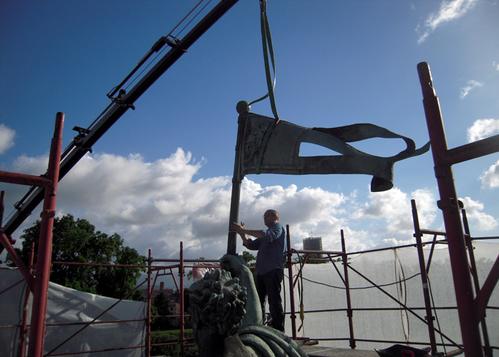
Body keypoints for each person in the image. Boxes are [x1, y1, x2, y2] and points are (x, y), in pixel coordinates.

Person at [231, 209, 285, 332]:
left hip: (273, 270)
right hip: (262, 272)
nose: (264, 219)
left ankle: (279, 330)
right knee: (259, 300)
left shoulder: (277, 228)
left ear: (273, 216)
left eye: (266, 216)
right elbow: (250, 245)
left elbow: (264, 234)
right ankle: (260, 327)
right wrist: (241, 233)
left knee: (274, 301)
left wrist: (243, 230)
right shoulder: (267, 233)